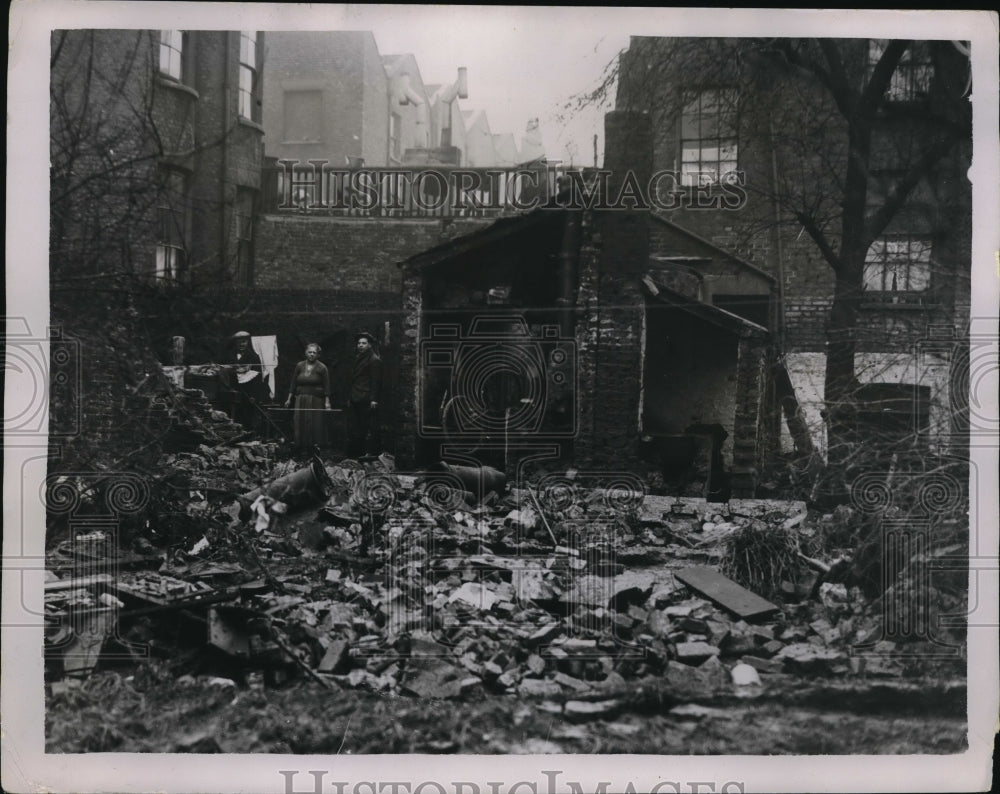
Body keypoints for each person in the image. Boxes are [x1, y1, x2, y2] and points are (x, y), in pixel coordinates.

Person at [284, 343, 331, 452]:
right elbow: (293, 383)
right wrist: (289, 399)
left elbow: (327, 386)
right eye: (310, 352)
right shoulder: (299, 365)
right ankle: (300, 448)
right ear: (306, 353)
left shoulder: (322, 368)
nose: (312, 354)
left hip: (316, 400)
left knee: (314, 423)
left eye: (314, 352)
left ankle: (313, 450)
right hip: (300, 399)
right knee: (299, 422)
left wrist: (327, 402)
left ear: (318, 355)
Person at [347, 331, 383, 458]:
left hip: (366, 398)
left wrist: (374, 399)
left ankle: (369, 453)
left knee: (367, 427)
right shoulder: (359, 358)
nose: (360, 345)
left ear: (370, 345)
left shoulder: (374, 360)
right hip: (356, 396)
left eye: (364, 343)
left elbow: (376, 381)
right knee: (357, 427)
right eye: (359, 343)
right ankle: (358, 453)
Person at [225, 331, 267, 430]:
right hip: (233, 390)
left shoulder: (254, 357)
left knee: (248, 415)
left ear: (248, 342)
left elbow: (258, 377)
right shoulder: (229, 355)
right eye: (239, 342)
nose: (241, 344)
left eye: (244, 341)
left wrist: (253, 395)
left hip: (248, 392)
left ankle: (248, 435)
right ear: (235, 343)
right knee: (232, 415)